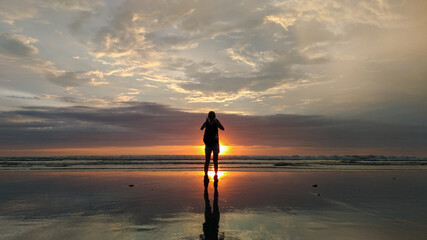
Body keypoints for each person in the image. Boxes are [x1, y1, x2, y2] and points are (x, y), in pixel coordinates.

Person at [201, 111, 224, 182]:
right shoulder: (216, 122)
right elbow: (222, 128)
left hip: (208, 144)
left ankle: (206, 174)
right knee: (215, 161)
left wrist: (205, 122)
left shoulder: (207, 122)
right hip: (214, 144)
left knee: (207, 161)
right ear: (214, 117)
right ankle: (215, 174)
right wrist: (218, 122)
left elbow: (201, 128)